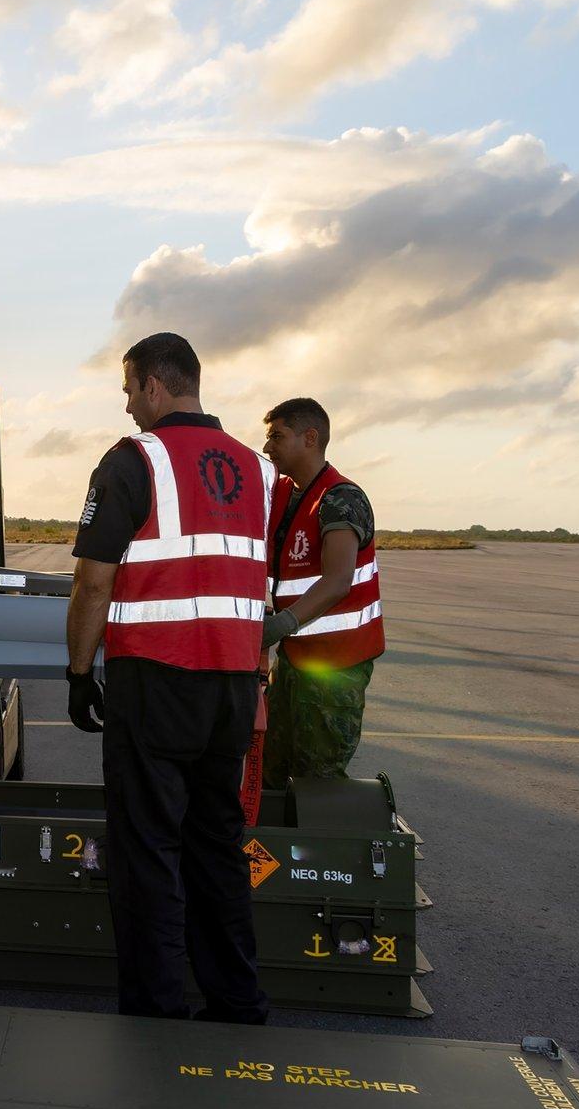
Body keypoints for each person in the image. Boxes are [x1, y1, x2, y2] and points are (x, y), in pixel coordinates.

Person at [65, 332, 274, 1024]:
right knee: (217, 844)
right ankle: (236, 1000)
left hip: (155, 681)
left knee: (147, 849)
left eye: (129, 390)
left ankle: (156, 1011)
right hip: (233, 685)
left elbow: (93, 582)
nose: (128, 405)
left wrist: (78, 673)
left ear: (155, 385)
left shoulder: (134, 460)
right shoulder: (257, 469)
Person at [257, 397, 384, 788]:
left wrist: (281, 623)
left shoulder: (340, 499)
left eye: (278, 436)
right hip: (296, 658)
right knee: (270, 765)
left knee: (318, 778)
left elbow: (337, 581)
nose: (268, 446)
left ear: (309, 438)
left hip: (336, 666)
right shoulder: (284, 494)